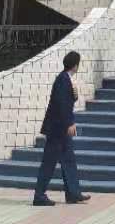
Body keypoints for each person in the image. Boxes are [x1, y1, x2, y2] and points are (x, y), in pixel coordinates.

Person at [30, 51, 90, 206]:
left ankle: (73, 193)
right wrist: (70, 123)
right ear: (75, 65)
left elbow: (66, 101)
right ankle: (39, 195)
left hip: (60, 129)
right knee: (49, 162)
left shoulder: (65, 79)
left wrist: (74, 96)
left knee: (69, 160)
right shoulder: (63, 80)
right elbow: (61, 105)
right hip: (57, 129)